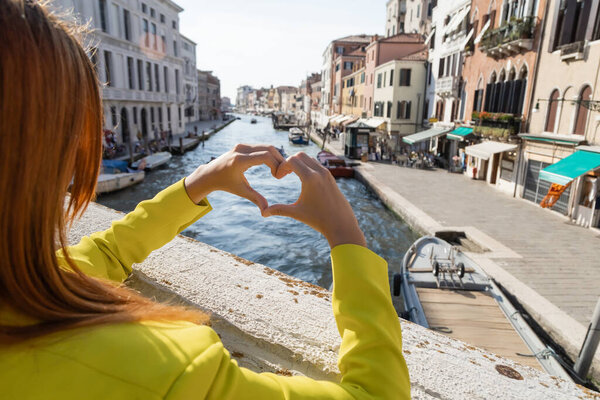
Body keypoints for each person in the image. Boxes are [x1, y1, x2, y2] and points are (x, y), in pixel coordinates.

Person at [0, 2, 410, 399]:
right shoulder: (169, 370)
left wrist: (197, 184)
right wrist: (346, 236)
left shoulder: (26, 285)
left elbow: (105, 253)